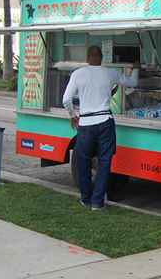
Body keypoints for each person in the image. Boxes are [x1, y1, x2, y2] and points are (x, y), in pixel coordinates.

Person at [63, 46, 139, 210]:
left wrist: (72, 116)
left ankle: (85, 198)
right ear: (102, 57)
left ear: (87, 57)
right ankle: (97, 202)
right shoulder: (110, 73)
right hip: (105, 121)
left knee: (83, 162)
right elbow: (132, 82)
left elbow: (66, 99)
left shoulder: (78, 74)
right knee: (104, 163)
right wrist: (135, 69)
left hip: (85, 124)